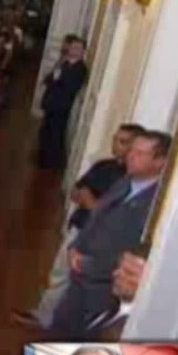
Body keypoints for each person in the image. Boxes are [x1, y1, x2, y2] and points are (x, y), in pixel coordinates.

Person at [17, 124, 141, 329]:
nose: (116, 145)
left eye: (123, 141)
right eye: (115, 139)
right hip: (80, 228)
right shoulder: (104, 167)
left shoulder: (130, 180)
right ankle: (44, 316)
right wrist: (92, 203)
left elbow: (113, 215)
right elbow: (76, 192)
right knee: (60, 273)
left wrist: (93, 204)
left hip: (104, 241)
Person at [50, 131, 168, 337]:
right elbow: (95, 219)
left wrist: (90, 264)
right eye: (131, 150)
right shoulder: (124, 182)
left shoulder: (158, 203)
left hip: (105, 290)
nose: (131, 155)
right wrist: (75, 247)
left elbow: (133, 249)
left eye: (140, 153)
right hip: (80, 281)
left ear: (160, 162)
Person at [39, 35, 88, 170]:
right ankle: (43, 158)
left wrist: (57, 79)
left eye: (78, 48)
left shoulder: (80, 68)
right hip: (52, 102)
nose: (74, 50)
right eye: (73, 47)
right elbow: (49, 79)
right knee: (47, 130)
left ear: (83, 51)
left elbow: (70, 86)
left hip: (62, 104)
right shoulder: (64, 63)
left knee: (56, 133)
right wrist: (54, 78)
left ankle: (53, 162)